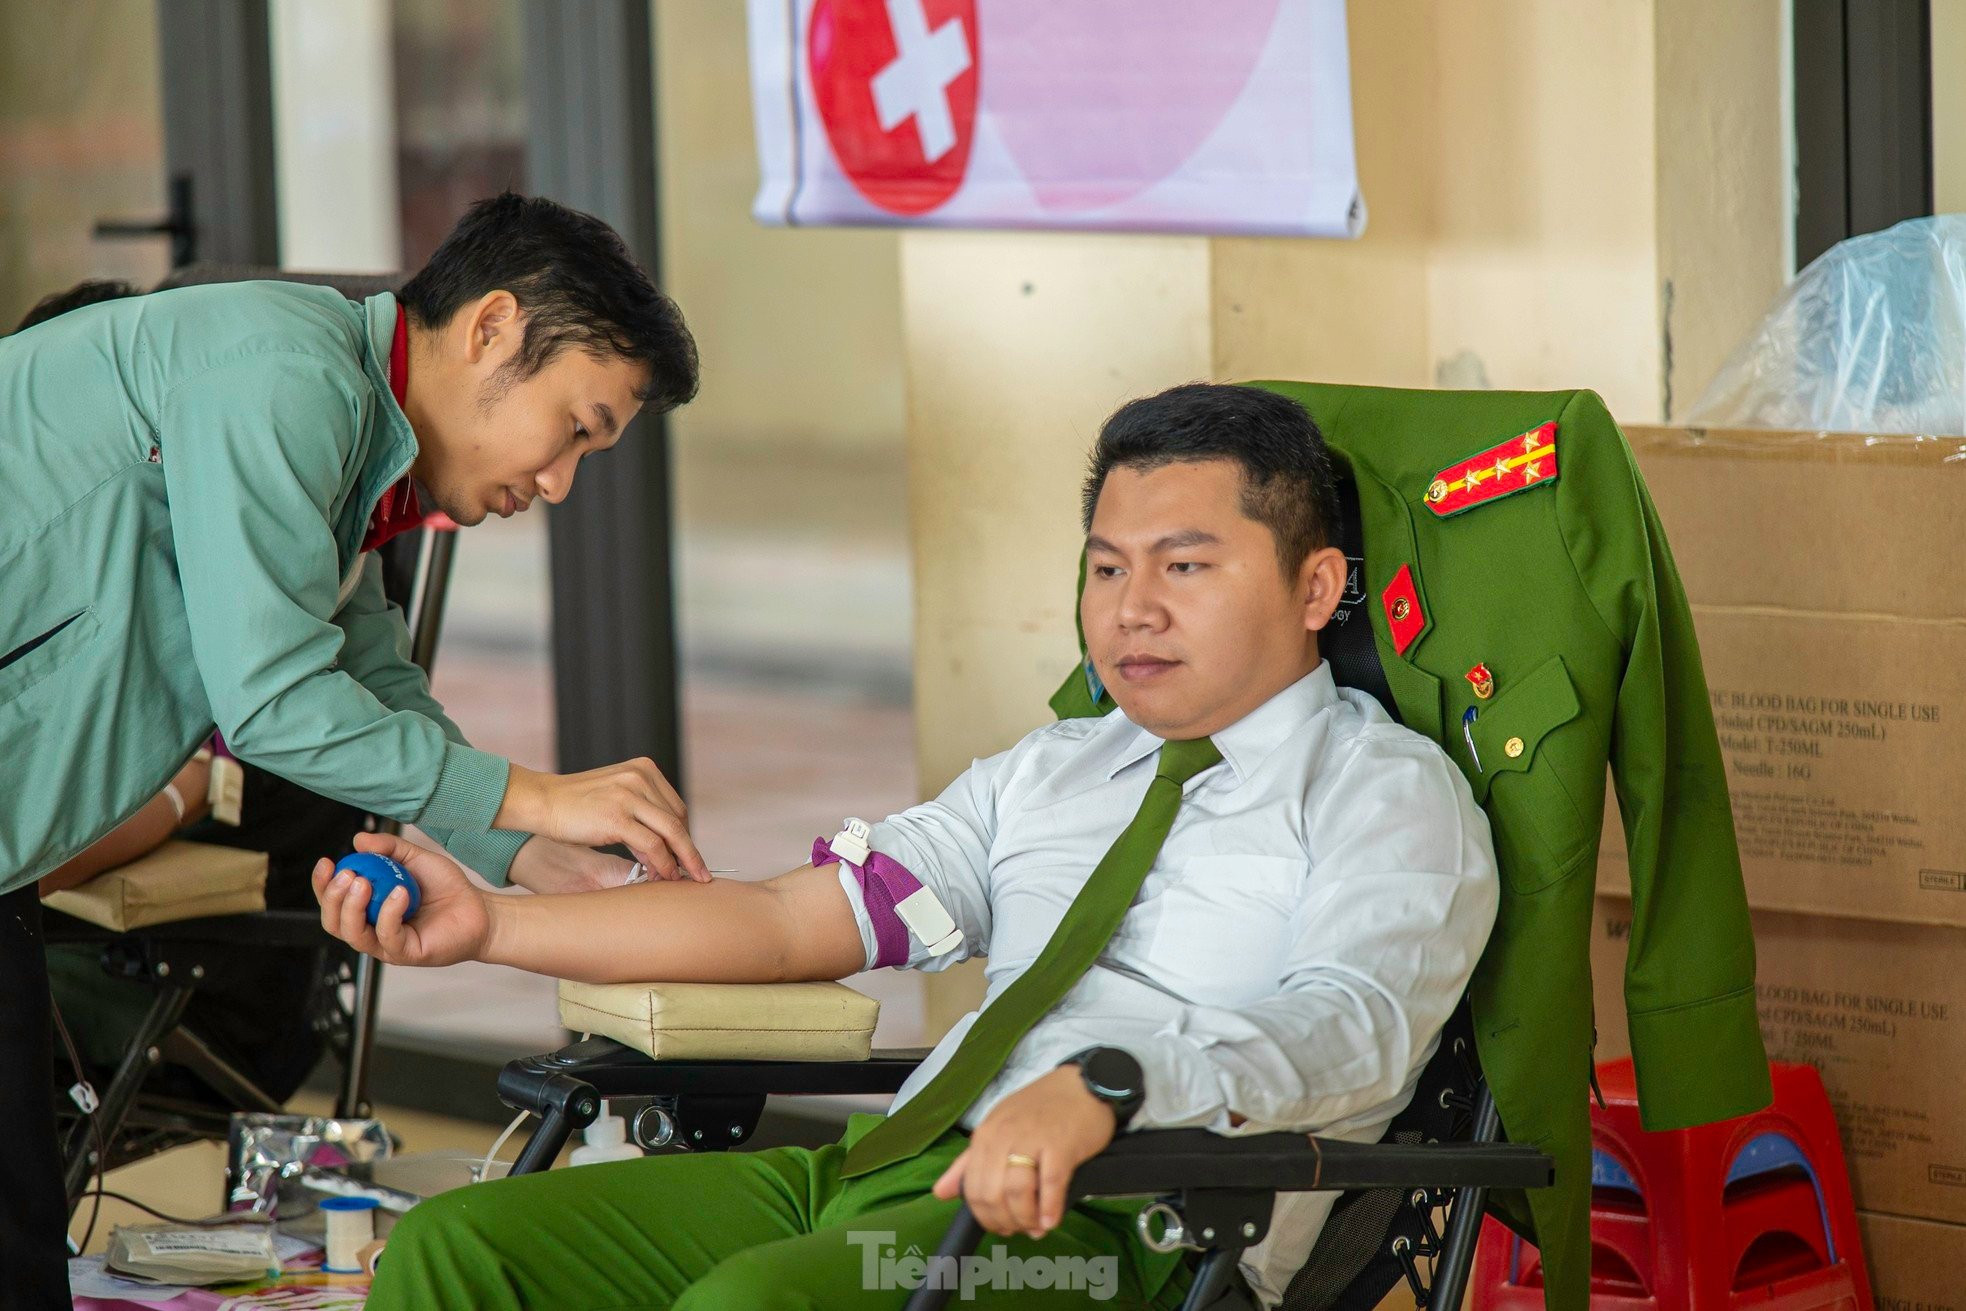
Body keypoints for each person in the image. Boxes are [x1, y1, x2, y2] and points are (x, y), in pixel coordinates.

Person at [315, 384, 1501, 1310]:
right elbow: (792, 920)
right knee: (460, 1253)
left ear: (1316, 587)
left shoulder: (1387, 796)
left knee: (757, 1305)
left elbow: (1353, 1027)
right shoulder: (1056, 768)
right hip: (887, 1172)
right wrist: (490, 923)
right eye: (1105, 567)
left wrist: (1113, 1088)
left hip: (1119, 1239)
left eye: (1184, 566)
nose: (1131, 607)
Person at [1, 195, 712, 1305]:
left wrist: (530, 860)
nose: (563, 483)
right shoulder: (287, 375)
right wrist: (537, 796)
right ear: (491, 329)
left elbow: (366, 675)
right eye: (578, 427)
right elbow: (279, 699)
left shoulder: (350, 434)